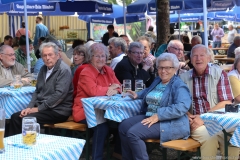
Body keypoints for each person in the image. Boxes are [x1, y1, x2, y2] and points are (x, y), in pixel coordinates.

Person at [119, 53, 191, 160]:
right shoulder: (158, 80)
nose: (163, 71)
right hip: (150, 116)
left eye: (167, 68)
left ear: (175, 69)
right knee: (123, 127)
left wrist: (158, 116)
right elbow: (148, 91)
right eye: (160, 67)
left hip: (169, 122)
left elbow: (182, 107)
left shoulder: (179, 85)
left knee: (133, 133)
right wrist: (137, 94)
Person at [179, 44, 239, 160]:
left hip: (218, 118)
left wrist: (205, 117)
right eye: (195, 56)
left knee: (233, 135)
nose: (198, 58)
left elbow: (226, 101)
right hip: (195, 121)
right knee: (210, 137)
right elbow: (179, 103)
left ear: (208, 58)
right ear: (190, 59)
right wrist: (189, 117)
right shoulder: (183, 78)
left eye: (202, 55)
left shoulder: (220, 74)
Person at [9, 42, 73, 136]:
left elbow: (59, 95)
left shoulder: (63, 70)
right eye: (44, 55)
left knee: (26, 120)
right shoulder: (43, 69)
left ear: (57, 55)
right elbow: (37, 90)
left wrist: (38, 109)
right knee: (15, 117)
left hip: (59, 110)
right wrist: (29, 107)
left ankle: (28, 146)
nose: (47, 58)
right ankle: (14, 147)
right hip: (45, 108)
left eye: (50, 55)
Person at [72, 43, 121, 160]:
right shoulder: (86, 72)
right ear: (90, 57)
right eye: (97, 56)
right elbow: (93, 91)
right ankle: (96, 157)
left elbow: (119, 86)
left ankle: (118, 154)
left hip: (104, 109)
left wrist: (115, 89)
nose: (101, 59)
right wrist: (110, 89)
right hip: (85, 110)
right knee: (101, 127)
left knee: (122, 122)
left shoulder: (108, 70)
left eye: (103, 56)